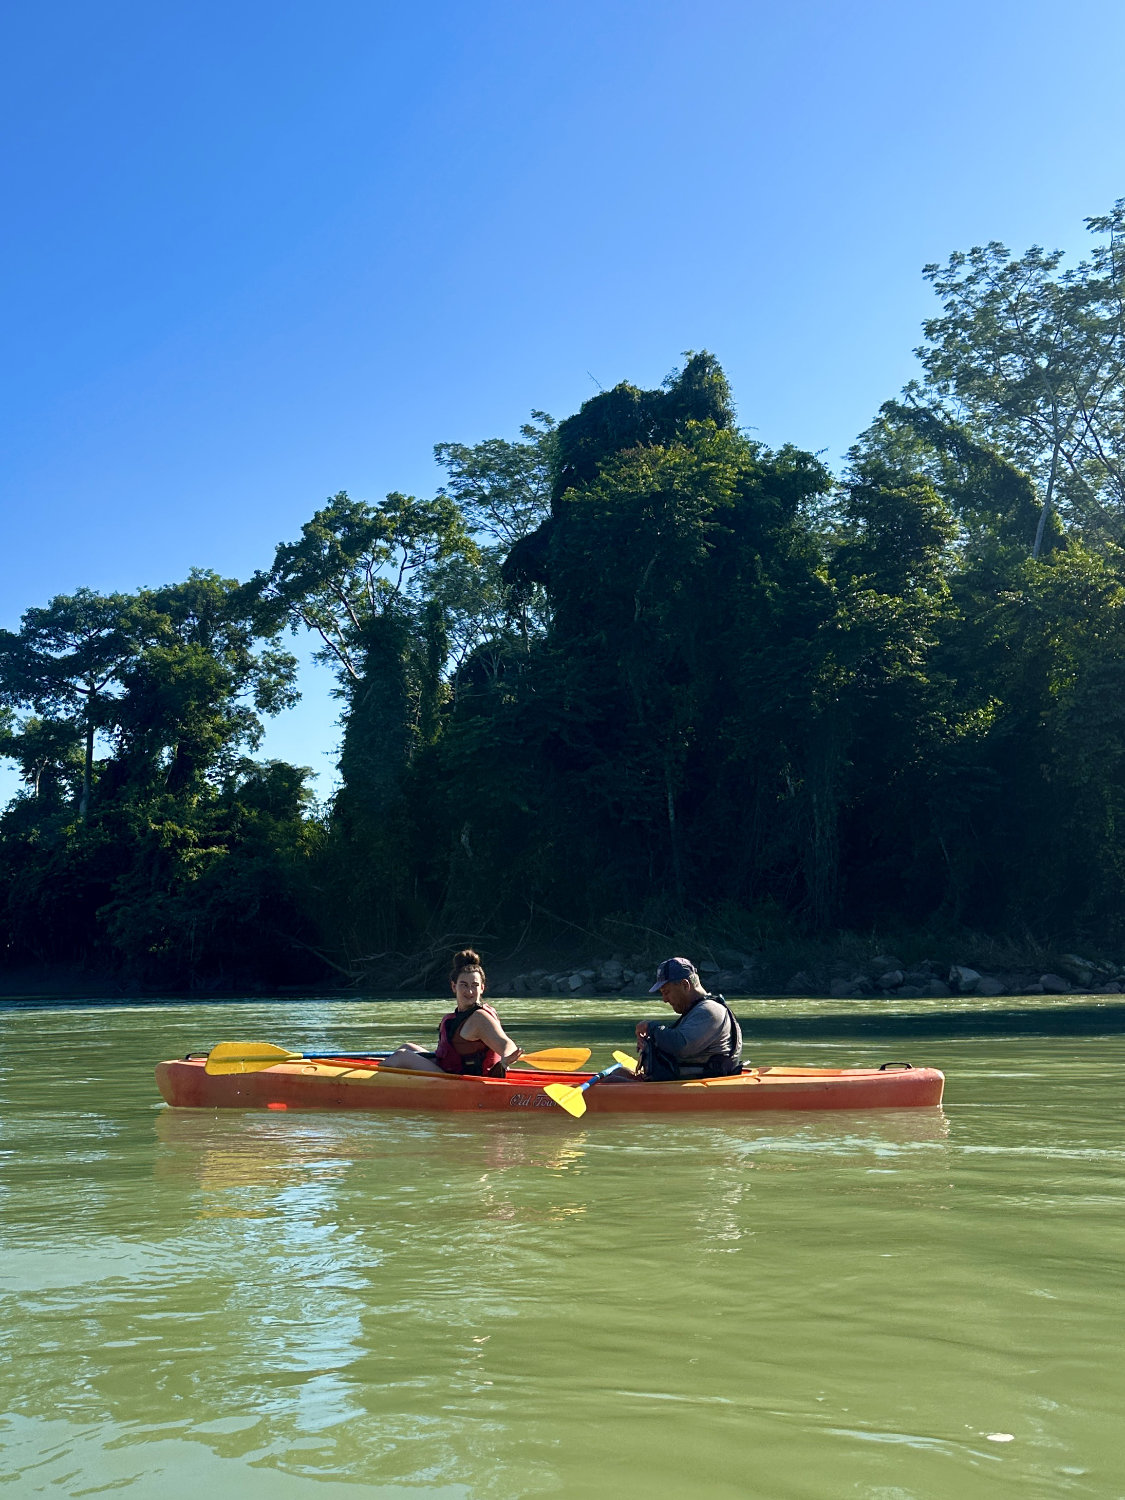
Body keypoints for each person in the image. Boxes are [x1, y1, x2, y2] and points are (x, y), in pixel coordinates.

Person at [383, 949, 523, 1077]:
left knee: (402, 1056)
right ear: (453, 986)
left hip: (462, 1080)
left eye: (475, 986)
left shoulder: (479, 1018)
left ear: (482, 988)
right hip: (448, 1071)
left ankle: (368, 1086)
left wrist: (505, 1061)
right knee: (407, 1047)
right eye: (464, 985)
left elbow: (507, 1044)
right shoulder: (460, 1015)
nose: (469, 992)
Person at [634, 956, 744, 1080]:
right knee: (620, 1072)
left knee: (613, 1080)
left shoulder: (709, 1011)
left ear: (685, 985)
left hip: (702, 1088)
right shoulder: (696, 1011)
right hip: (682, 1082)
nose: (664, 999)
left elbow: (681, 1046)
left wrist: (651, 1027)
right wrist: (649, 1044)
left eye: (666, 992)